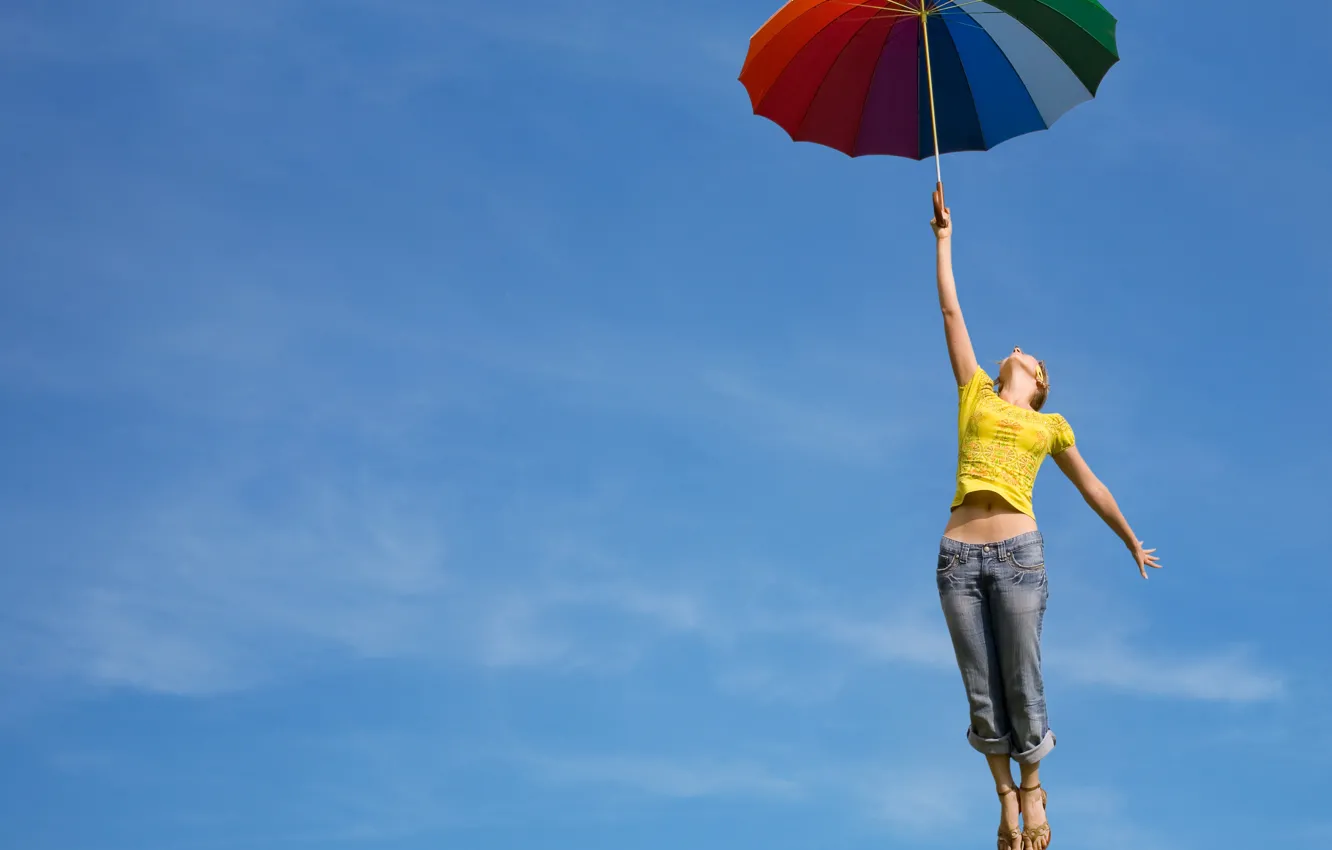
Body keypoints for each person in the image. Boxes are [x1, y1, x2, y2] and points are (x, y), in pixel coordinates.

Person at [930, 189, 1161, 850]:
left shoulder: (1049, 424)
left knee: (1022, 684)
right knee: (981, 690)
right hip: (955, 559)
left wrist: (1128, 540)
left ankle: (1032, 791)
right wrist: (945, 238)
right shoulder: (974, 389)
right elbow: (951, 309)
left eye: (1029, 356)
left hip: (1017, 555)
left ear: (1038, 382)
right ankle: (1005, 797)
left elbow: (1091, 484)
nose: (1018, 349)